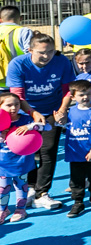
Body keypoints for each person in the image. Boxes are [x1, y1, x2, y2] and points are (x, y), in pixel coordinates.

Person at [6, 32, 74, 209]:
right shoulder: (18, 64)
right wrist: (32, 113)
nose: (46, 56)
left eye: (50, 51)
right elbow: (17, 95)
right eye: (41, 52)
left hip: (53, 110)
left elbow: (68, 90)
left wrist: (62, 110)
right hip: (25, 111)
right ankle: (29, 189)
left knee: (48, 150)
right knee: (26, 151)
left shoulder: (62, 62)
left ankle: (42, 193)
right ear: (29, 50)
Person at [61, 79, 91, 217]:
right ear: (73, 97)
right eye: (81, 95)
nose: (85, 97)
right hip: (75, 154)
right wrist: (59, 122)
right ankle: (78, 202)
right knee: (76, 179)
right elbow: (64, 128)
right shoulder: (70, 111)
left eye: (88, 94)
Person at [0, 92, 38, 222]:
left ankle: (20, 209)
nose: (13, 108)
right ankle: (3, 209)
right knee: (3, 189)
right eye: (8, 105)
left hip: (22, 162)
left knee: (21, 186)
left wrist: (29, 126)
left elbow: (46, 126)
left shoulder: (25, 119)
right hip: (3, 164)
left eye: (16, 104)